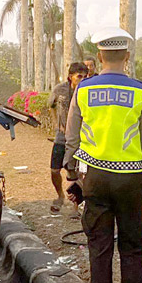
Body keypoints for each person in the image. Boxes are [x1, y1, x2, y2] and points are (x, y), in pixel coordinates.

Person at [63, 27, 142, 283]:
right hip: (131, 178)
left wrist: (73, 172)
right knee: (133, 248)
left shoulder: (84, 91)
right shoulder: (140, 92)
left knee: (99, 247)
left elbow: (71, 138)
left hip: (95, 178)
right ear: (127, 56)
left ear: (100, 56)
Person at [47, 62, 89, 213]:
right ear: (71, 77)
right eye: (79, 76)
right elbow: (50, 105)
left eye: (85, 76)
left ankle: (75, 206)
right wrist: (56, 124)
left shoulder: (87, 91)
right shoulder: (60, 90)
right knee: (54, 170)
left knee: (76, 172)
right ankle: (59, 196)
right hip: (61, 136)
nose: (82, 79)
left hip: (80, 138)